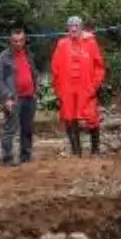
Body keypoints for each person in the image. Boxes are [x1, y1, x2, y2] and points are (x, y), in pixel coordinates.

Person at [50, 16, 105, 156]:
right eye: (71, 26)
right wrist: (58, 90)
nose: (73, 28)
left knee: (91, 116)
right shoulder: (62, 44)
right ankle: (76, 153)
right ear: (67, 28)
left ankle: (95, 151)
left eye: (76, 26)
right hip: (68, 89)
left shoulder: (91, 42)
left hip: (86, 88)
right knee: (69, 118)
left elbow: (99, 66)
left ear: (81, 27)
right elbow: (55, 68)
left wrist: (95, 86)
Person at [0, 27, 38, 166]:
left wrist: (36, 90)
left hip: (29, 97)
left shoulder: (28, 54)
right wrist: (6, 97)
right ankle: (7, 158)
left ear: (25, 40)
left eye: (21, 41)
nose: (18, 43)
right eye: (15, 41)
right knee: (10, 128)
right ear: (10, 41)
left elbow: (33, 73)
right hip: (13, 98)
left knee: (28, 128)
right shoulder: (3, 57)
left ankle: (25, 156)